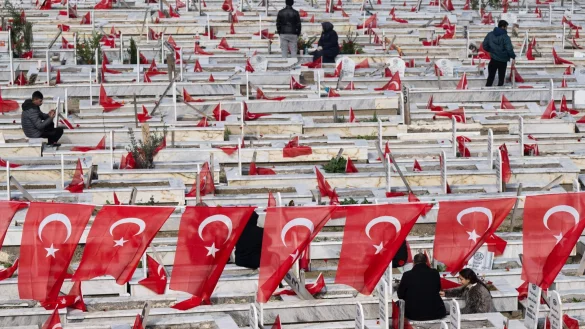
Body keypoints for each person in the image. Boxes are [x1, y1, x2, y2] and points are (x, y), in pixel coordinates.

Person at [398, 253, 447, 321]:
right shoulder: (434, 273)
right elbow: (438, 288)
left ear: (414, 262)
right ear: (426, 262)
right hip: (435, 312)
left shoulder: (407, 275)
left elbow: (400, 294)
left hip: (414, 314)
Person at [482, 20, 516, 87]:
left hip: (493, 59)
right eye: (506, 27)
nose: (507, 28)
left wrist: (491, 50)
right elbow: (509, 48)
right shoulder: (505, 37)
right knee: (501, 79)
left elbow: (484, 45)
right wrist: (513, 56)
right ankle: (499, 94)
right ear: (503, 27)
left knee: (490, 78)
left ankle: (486, 93)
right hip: (503, 61)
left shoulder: (490, 34)